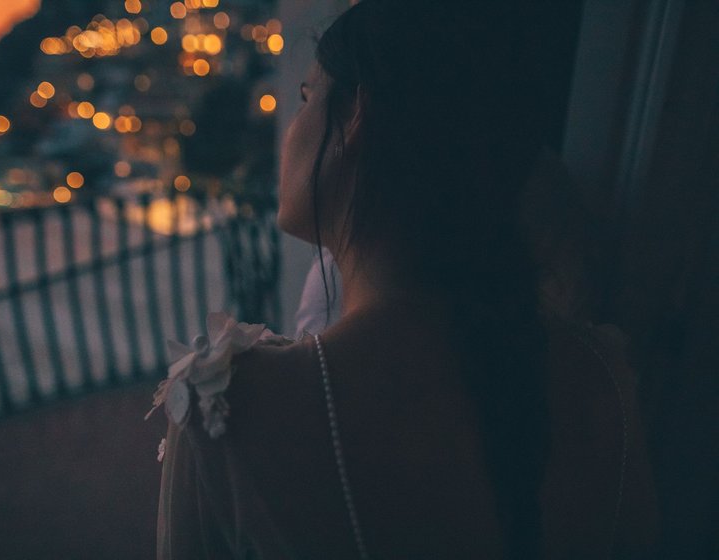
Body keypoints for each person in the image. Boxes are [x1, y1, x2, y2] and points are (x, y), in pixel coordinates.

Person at [150, 1, 658, 557]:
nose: (291, 129)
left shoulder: (225, 411)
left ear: (357, 112)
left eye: (304, 97)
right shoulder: (601, 377)